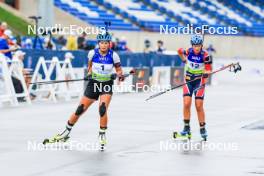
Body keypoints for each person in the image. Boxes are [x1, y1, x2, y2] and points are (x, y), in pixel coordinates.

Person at [44, 30, 124, 150]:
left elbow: (119, 71)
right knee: (80, 109)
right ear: (98, 43)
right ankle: (65, 133)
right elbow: (90, 68)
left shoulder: (114, 55)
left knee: (102, 108)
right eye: (102, 43)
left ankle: (102, 135)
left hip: (106, 85)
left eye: (106, 43)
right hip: (93, 84)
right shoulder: (92, 53)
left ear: (109, 44)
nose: (104, 45)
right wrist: (89, 74)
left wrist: (117, 75)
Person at [176, 34, 212, 140]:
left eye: (199, 45)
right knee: (187, 103)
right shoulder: (188, 51)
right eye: (195, 45)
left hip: (199, 81)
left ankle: (202, 128)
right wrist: (183, 60)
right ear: (192, 45)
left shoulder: (206, 55)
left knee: (199, 105)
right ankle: (186, 127)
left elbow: (209, 69)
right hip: (188, 80)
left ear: (201, 45)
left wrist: (206, 73)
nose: (197, 48)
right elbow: (179, 51)